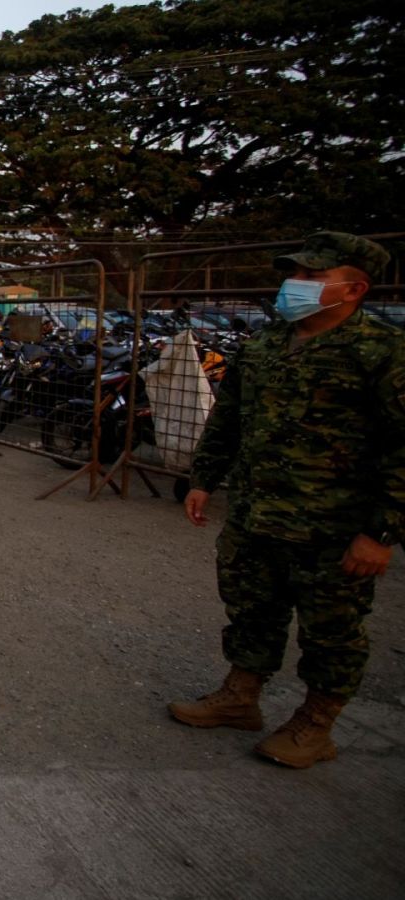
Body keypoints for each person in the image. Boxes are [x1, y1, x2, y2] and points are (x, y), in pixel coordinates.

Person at [172, 231, 402, 769]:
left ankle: (316, 724)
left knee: (333, 629)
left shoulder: (384, 352)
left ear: (354, 289)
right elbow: (228, 418)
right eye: (294, 274)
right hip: (257, 513)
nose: (294, 285)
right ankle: (240, 696)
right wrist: (203, 478)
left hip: (334, 526)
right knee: (251, 607)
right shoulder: (267, 344)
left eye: (313, 277)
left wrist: (384, 531)